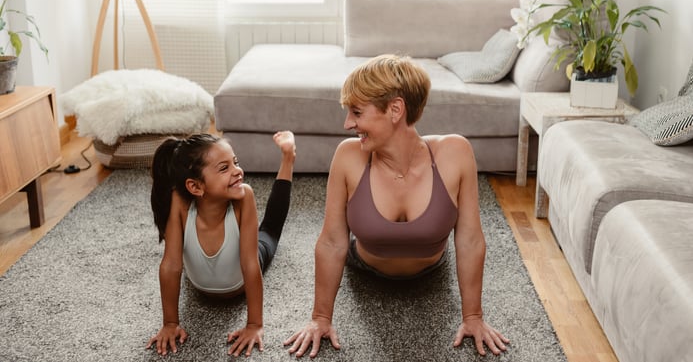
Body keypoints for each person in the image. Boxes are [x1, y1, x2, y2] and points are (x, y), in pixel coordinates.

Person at [284, 54, 509, 358]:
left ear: (395, 109)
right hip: (364, 268)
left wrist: (473, 317)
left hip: (432, 271)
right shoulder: (348, 156)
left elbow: (468, 239)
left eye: (357, 112)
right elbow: (333, 241)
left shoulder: (455, 152)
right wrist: (320, 318)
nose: (348, 123)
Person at [146, 131, 296, 357]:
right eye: (224, 168)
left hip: (247, 265)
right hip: (201, 278)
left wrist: (254, 324)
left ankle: (288, 158)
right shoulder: (180, 201)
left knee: (270, 231)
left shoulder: (244, 196)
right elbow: (171, 265)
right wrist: (169, 323)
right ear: (195, 187)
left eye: (235, 162)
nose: (237, 170)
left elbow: (250, 263)